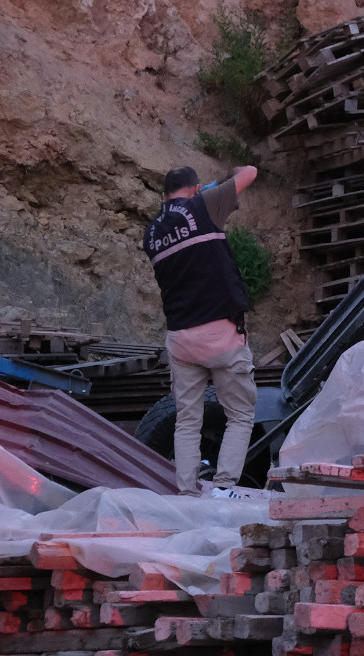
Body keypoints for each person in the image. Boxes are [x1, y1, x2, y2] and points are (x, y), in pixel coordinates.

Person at [143, 164, 259, 498]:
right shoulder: (204, 205)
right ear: (195, 188)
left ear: (164, 197)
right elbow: (249, 172)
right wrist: (227, 175)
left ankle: (187, 494)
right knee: (239, 415)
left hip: (181, 339)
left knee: (187, 421)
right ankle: (223, 488)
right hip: (220, 333)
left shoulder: (151, 233)